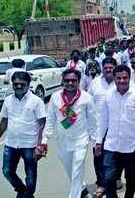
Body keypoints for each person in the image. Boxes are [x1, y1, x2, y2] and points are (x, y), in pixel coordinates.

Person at [42, 69, 97, 198]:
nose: (70, 83)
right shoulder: (55, 97)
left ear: (79, 81)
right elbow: (50, 120)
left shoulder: (87, 98)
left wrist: (95, 141)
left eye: (73, 80)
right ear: (63, 81)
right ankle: (82, 188)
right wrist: (44, 140)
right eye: (67, 80)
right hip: (63, 141)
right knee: (71, 170)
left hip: (81, 140)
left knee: (77, 169)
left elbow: (93, 121)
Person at [95, 65, 135, 198]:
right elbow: (103, 120)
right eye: (118, 78)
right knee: (108, 179)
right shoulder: (108, 96)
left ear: (129, 78)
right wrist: (99, 141)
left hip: (131, 146)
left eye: (125, 77)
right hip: (111, 145)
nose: (122, 81)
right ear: (114, 78)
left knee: (130, 177)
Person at [0, 71, 47, 198]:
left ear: (28, 85)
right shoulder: (8, 100)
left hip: (30, 145)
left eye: (22, 84)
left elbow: (42, 124)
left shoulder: (36, 101)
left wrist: (40, 145)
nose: (19, 86)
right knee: (7, 172)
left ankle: (28, 194)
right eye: (16, 84)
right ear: (12, 84)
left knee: (31, 175)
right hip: (10, 144)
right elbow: (4, 121)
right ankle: (22, 190)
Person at [87, 57, 119, 197]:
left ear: (114, 67)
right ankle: (101, 184)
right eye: (105, 67)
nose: (108, 70)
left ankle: (115, 178)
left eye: (110, 67)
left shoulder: (121, 82)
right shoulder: (95, 83)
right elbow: (87, 103)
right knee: (98, 156)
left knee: (117, 155)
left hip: (116, 126)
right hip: (98, 127)